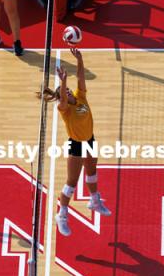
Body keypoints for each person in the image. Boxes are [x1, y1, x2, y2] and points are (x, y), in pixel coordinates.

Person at [38, 47, 111, 236]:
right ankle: (61, 215)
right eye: (66, 92)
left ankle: (94, 201)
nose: (69, 92)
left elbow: (80, 78)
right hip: (76, 145)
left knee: (92, 172)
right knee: (72, 182)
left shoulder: (81, 98)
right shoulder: (64, 110)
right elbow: (62, 99)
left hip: (90, 140)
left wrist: (80, 59)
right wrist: (63, 82)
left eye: (69, 90)